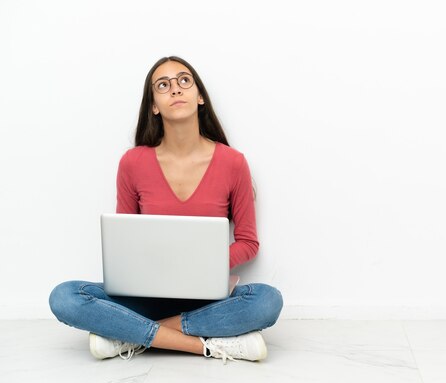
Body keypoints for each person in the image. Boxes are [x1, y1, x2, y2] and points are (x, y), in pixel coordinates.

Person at [49, 56, 283, 364]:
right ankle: (210, 346)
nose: (175, 89)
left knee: (267, 301)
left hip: (207, 300)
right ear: (154, 106)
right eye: (163, 85)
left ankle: (128, 336)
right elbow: (125, 242)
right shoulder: (133, 162)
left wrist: (204, 264)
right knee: (64, 296)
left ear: (200, 97)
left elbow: (248, 243)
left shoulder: (233, 162)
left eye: (184, 81)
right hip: (145, 298)